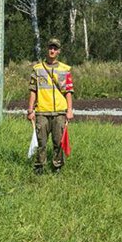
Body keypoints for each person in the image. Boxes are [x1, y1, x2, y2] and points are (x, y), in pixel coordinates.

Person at [28, 38, 75, 174]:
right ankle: (39, 167)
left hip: (60, 111)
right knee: (41, 142)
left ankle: (57, 167)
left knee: (59, 142)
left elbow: (69, 92)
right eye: (50, 48)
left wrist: (69, 110)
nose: (52, 50)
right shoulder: (37, 69)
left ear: (58, 51)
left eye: (55, 48)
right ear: (47, 49)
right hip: (42, 111)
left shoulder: (65, 69)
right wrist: (30, 110)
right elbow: (33, 91)